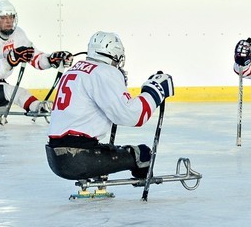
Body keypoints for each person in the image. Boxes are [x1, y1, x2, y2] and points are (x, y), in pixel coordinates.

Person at [45, 31, 174, 181]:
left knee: (101, 147)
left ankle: (95, 173)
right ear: (115, 56)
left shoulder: (74, 69)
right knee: (142, 154)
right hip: (79, 158)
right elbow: (132, 116)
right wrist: (154, 91)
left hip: (55, 158)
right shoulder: (104, 71)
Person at [0, 0, 72, 115]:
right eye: (4, 18)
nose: (9, 21)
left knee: (12, 91)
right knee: (16, 92)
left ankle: (37, 106)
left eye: (11, 17)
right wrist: (12, 60)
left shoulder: (18, 33)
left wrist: (51, 60)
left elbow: (35, 58)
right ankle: (37, 107)